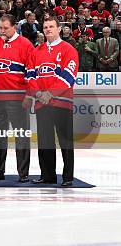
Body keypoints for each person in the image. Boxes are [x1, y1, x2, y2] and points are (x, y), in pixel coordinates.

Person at [28, 17, 79, 187]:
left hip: (61, 102)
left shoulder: (68, 49)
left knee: (65, 140)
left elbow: (68, 77)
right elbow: (31, 76)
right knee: (45, 141)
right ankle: (48, 175)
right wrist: (39, 93)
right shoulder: (37, 51)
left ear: (59, 29)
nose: (48, 29)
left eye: (51, 26)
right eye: (45, 27)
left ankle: (68, 177)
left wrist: (50, 93)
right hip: (42, 103)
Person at [0, 14, 34, 182]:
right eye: (0, 28)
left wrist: (29, 94)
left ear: (15, 27)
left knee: (21, 136)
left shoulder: (26, 45)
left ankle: (23, 173)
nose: (2, 31)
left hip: (17, 99)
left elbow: (32, 73)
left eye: (5, 28)